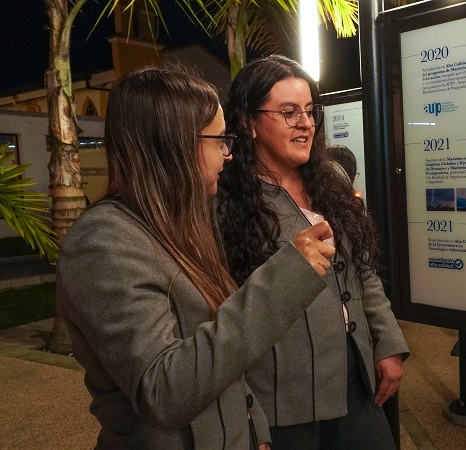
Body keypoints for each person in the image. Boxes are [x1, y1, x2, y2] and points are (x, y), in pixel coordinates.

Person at [56, 66, 336, 449]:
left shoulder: (180, 223)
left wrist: (254, 429)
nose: (228, 152)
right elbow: (165, 391)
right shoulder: (105, 241)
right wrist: (286, 277)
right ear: (173, 144)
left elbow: (219, 351)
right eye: (218, 139)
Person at [216, 55, 409, 450]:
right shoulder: (224, 203)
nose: (305, 123)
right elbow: (224, 316)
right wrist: (247, 412)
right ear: (248, 122)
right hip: (282, 396)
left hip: (353, 378)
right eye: (289, 113)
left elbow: (362, 269)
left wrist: (387, 340)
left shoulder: (331, 181)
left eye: (309, 111)